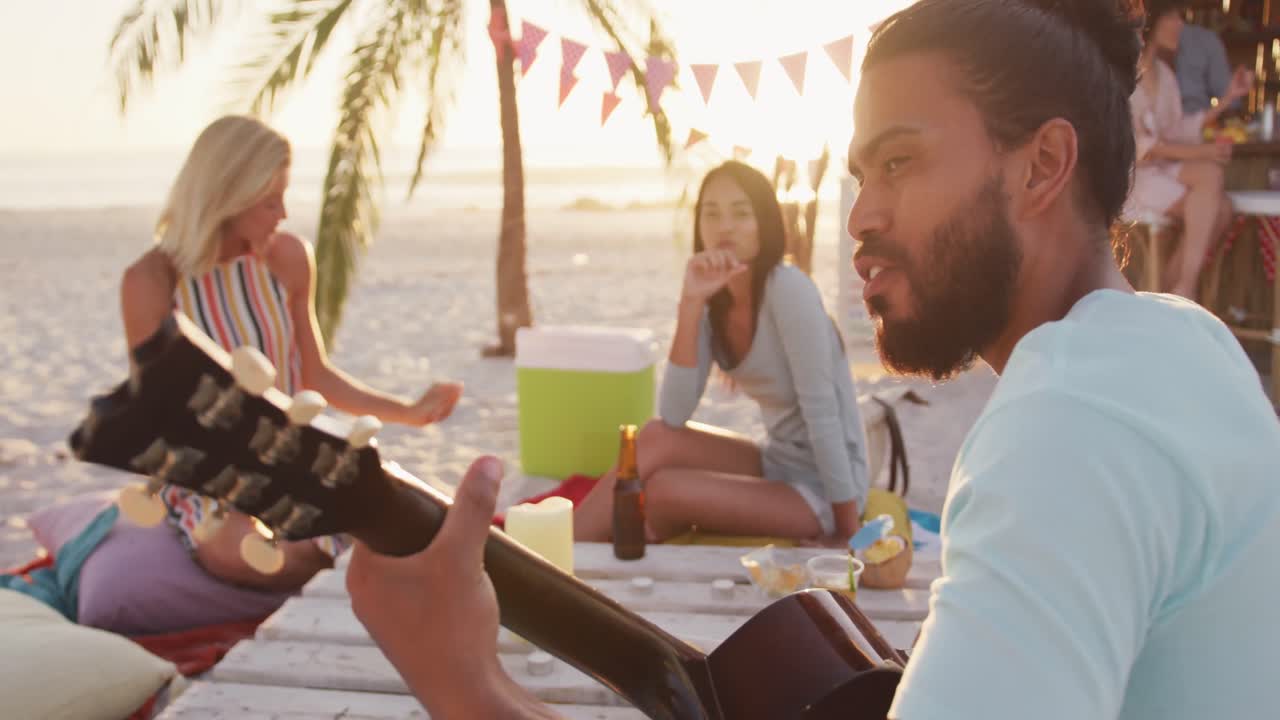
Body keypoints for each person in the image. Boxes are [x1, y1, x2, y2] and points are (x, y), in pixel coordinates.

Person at [347, 0, 1280, 717]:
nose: (861, 216)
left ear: (1041, 166)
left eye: (900, 163)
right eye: (858, 176)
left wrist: (470, 688)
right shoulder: (1188, 343)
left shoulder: (1070, 422)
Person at [121, 115, 463, 592]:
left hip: (298, 456)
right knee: (253, 551)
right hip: (210, 475)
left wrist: (409, 413)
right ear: (226, 198)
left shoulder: (285, 260)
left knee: (419, 531)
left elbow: (314, 377)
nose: (282, 214)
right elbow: (160, 415)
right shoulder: (152, 283)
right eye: (269, 201)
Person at [570, 160, 869, 547]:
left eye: (741, 213)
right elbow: (675, 415)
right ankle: (560, 546)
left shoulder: (788, 289)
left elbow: (822, 411)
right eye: (711, 214)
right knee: (655, 437)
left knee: (662, 491)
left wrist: (846, 528)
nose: (724, 226)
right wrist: (691, 301)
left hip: (825, 487)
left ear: (764, 223)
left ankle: (566, 554)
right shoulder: (714, 301)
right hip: (775, 461)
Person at [1128, 0, 1251, 300]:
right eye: (1173, 17)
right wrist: (1204, 153)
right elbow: (1143, 148)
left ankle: (1168, 291)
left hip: (1162, 171)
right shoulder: (1125, 74)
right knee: (1213, 189)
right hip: (1135, 177)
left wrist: (1225, 100)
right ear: (1152, 22)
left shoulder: (1165, 75)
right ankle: (1184, 289)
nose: (1181, 25)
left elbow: (1178, 131)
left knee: (1221, 208)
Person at [1176, 19, 1248, 115]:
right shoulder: (1150, 48)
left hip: (1197, 123)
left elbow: (1231, 104)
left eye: (1173, 15)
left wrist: (1231, 94)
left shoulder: (1205, 41)